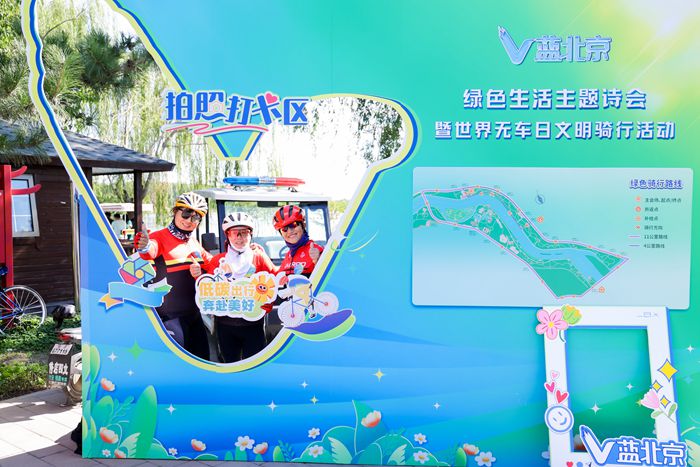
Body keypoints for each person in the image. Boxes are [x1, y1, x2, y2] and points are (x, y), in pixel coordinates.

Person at [135, 192, 212, 360]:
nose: (189, 220)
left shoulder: (193, 242)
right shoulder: (159, 237)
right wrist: (144, 245)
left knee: (203, 362)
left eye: (196, 217)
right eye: (186, 213)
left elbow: (214, 264)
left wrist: (246, 251)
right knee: (176, 366)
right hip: (170, 318)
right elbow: (150, 251)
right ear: (175, 211)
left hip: (194, 315)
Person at [192, 212, 277, 362]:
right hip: (225, 324)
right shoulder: (218, 260)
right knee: (229, 364)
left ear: (250, 235)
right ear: (227, 235)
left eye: (244, 232)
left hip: (253, 324)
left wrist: (268, 303)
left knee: (254, 364)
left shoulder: (259, 257)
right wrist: (197, 276)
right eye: (234, 233)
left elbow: (274, 281)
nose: (239, 237)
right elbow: (207, 288)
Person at [274, 205, 323, 280]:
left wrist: (318, 261)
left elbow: (329, 279)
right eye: (284, 228)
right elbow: (278, 281)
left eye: (294, 224)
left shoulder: (317, 250)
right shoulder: (288, 255)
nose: (290, 231)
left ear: (303, 225)